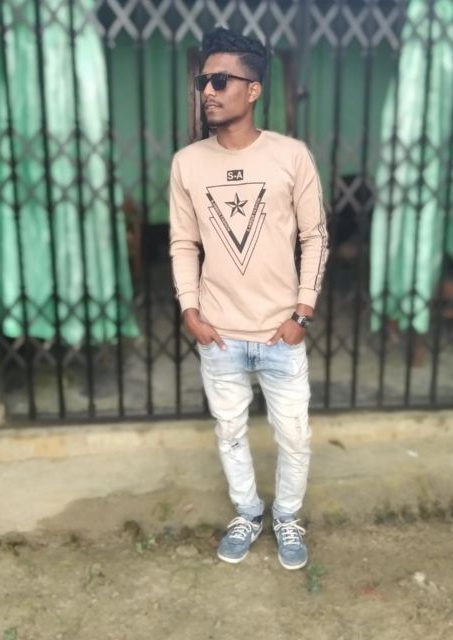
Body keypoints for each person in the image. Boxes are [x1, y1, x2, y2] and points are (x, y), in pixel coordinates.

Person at [169, 27, 328, 570]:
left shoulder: (291, 156)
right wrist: (190, 310)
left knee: (295, 436)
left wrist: (302, 312)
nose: (208, 91)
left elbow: (315, 237)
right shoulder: (187, 163)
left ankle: (287, 516)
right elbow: (183, 242)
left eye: (220, 80)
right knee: (230, 432)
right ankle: (247, 512)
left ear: (253, 89)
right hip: (219, 333)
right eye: (203, 81)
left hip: (281, 332)